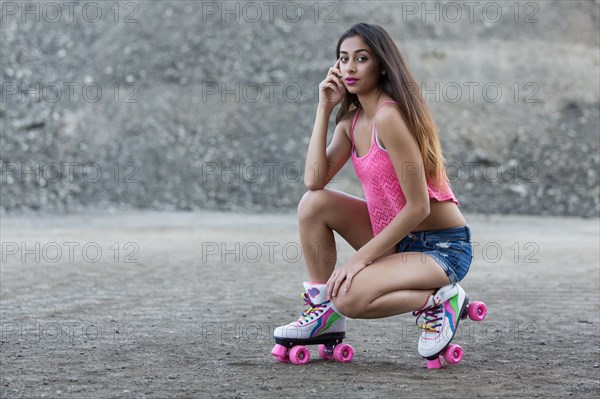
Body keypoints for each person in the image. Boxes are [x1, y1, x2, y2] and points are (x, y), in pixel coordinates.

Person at [273, 23, 474, 362]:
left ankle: (443, 299)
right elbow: (313, 180)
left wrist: (359, 259)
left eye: (361, 58)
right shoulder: (351, 122)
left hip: (442, 246)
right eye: (343, 59)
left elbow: (418, 207)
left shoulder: (389, 117)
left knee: (350, 298)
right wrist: (324, 108)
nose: (349, 67)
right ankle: (323, 313)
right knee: (314, 203)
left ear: (381, 64)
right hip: (395, 240)